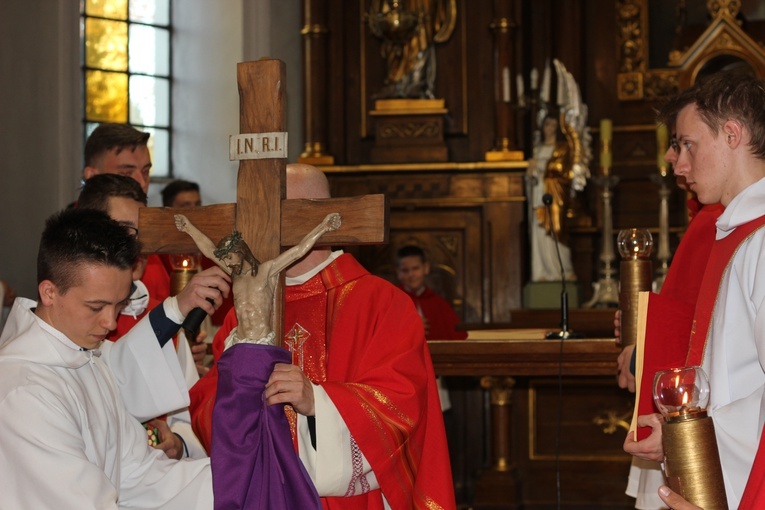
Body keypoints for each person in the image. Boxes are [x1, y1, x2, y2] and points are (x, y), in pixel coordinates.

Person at [189, 163, 455, 509]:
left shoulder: (382, 303)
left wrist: (318, 403)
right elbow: (208, 399)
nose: (268, 225)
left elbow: (402, 408)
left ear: (322, 218)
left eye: (284, 211)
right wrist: (240, 396)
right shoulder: (248, 310)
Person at [0, 208, 213, 508]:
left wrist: (236, 481)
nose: (111, 323)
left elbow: (138, 474)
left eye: (119, 305)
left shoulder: (87, 357)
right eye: (96, 306)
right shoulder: (23, 393)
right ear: (49, 293)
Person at [623, 69, 765, 508]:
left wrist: (684, 436)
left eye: (688, 144)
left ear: (732, 134)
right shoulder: (737, 232)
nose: (678, 163)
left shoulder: (761, 242)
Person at [78, 173, 225, 460]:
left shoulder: (165, 319)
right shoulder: (69, 318)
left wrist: (179, 444)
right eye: (122, 230)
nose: (137, 244)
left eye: (140, 231)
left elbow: (191, 417)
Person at [174, 211, 341, 347]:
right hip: (238, 343)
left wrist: (323, 227)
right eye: (224, 260)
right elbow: (209, 250)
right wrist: (188, 228)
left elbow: (298, 251)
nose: (226, 263)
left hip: (262, 342)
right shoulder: (235, 274)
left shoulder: (266, 271)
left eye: (229, 258)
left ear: (240, 253)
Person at [395, 244, 466, 413]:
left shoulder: (438, 303)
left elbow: (458, 338)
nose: (411, 274)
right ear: (398, 273)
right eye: (405, 270)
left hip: (435, 374)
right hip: (401, 376)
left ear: (426, 268)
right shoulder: (392, 301)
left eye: (416, 268)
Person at [527, 114, 577, 282]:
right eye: (548, 124)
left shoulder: (561, 148)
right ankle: (541, 272)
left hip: (554, 195)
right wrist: (531, 172)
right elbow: (531, 176)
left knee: (556, 230)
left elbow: (561, 169)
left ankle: (561, 270)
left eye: (554, 125)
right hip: (539, 195)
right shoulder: (537, 149)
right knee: (540, 233)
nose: (550, 129)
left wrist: (541, 167)